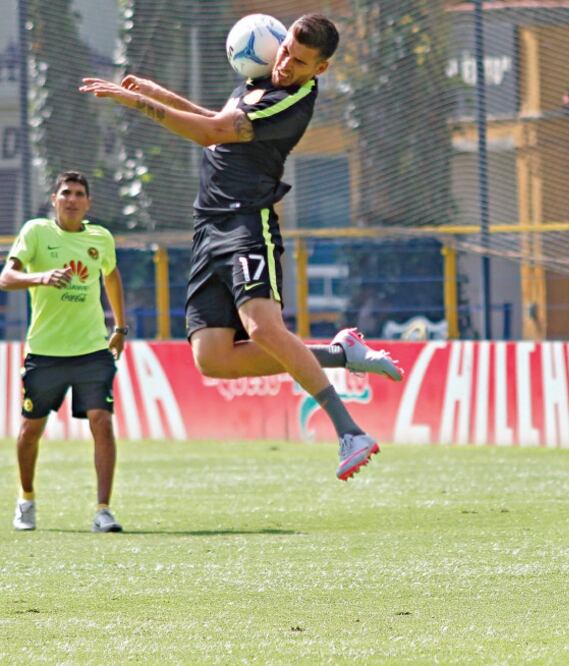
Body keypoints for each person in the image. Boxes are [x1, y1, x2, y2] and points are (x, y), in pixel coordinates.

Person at [80, 14, 402, 481]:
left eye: (300, 60)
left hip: (247, 225)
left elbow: (210, 134)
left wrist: (134, 103)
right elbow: (215, 122)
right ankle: (339, 353)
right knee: (213, 358)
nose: (285, 63)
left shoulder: (289, 101)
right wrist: (155, 93)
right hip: (209, 227)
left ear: (321, 70)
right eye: (287, 49)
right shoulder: (259, 76)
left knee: (263, 327)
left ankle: (349, 431)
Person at [2, 171, 128, 532]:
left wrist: (119, 328)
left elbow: (112, 275)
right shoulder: (36, 232)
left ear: (88, 203)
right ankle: (26, 498)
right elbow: (6, 278)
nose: (72, 199)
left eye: (79, 194)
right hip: (45, 352)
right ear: (54, 199)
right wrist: (39, 277)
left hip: (92, 350)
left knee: (101, 422)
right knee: (30, 431)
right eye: (65, 193)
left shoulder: (100, 237)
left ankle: (103, 509)